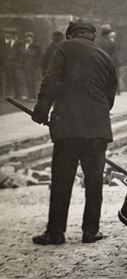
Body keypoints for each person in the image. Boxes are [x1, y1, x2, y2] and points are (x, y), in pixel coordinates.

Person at [30, 20, 118, 245]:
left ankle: (56, 232)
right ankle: (91, 231)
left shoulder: (63, 49)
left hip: (68, 127)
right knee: (94, 180)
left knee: (61, 180)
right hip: (97, 129)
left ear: (70, 35)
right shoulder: (104, 56)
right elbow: (110, 95)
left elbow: (50, 82)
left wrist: (41, 111)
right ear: (92, 36)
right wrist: (96, 115)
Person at [19, 31, 42, 100]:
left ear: (32, 38)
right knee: (26, 81)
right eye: (26, 37)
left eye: (29, 37)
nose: (28, 38)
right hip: (25, 66)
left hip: (32, 67)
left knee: (32, 82)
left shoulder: (36, 46)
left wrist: (36, 65)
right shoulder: (23, 45)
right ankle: (29, 95)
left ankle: (33, 96)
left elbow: (38, 55)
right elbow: (21, 53)